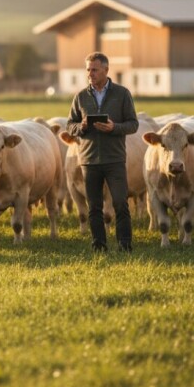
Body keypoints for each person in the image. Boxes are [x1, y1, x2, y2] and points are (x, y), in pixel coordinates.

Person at [66, 52, 139, 252]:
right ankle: (99, 244)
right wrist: (80, 127)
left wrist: (114, 127)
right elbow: (69, 126)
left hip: (114, 159)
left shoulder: (122, 94)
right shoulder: (80, 96)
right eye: (88, 70)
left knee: (120, 203)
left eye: (94, 70)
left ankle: (125, 244)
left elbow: (133, 124)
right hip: (89, 160)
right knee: (94, 207)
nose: (90, 74)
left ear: (106, 70)